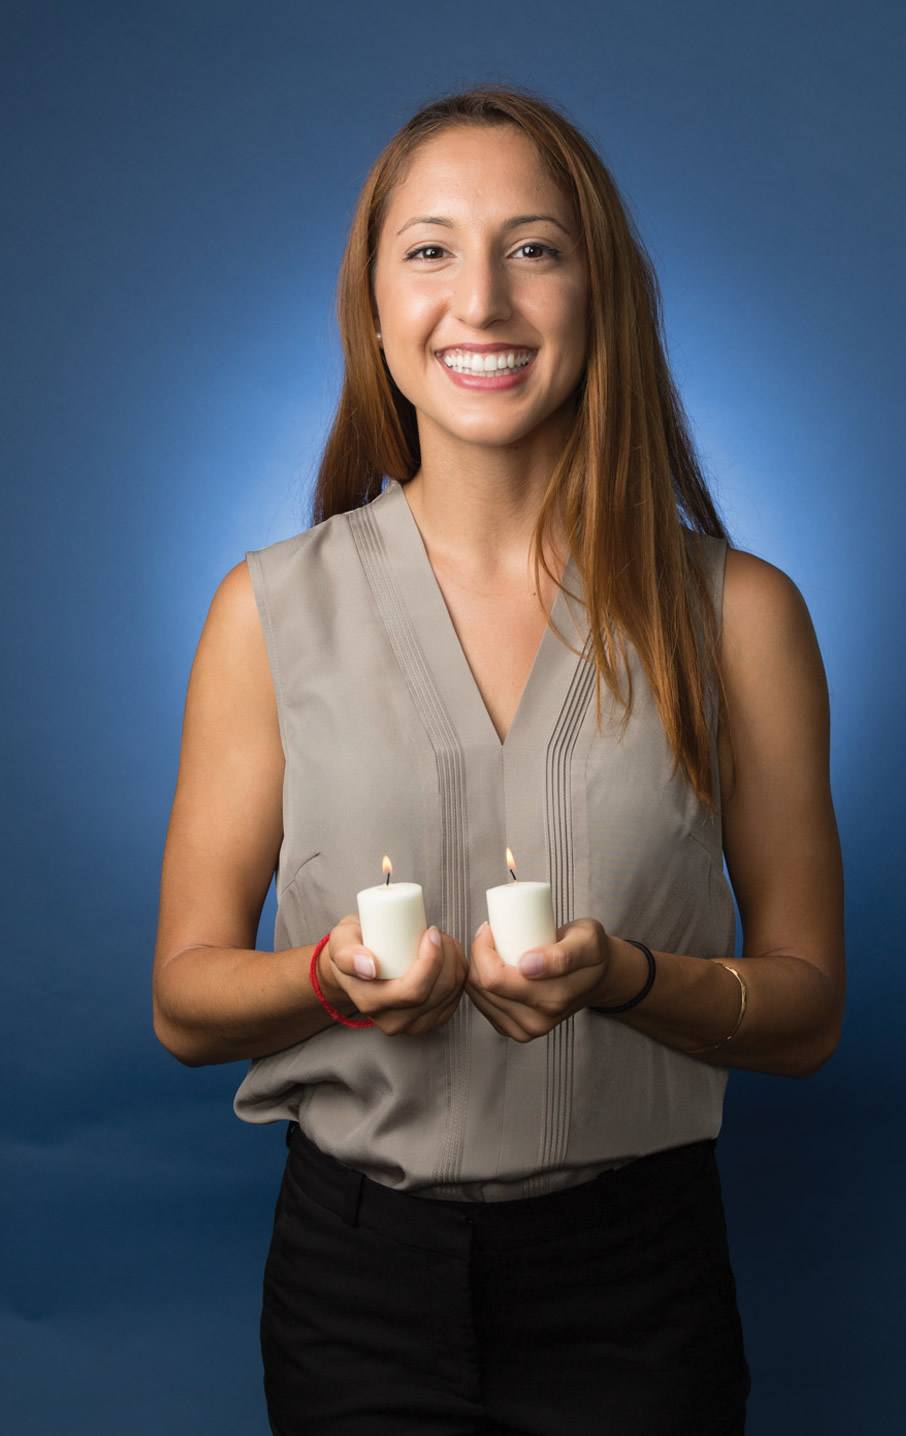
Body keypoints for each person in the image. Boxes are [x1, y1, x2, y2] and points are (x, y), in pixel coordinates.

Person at [153, 86, 844, 1436]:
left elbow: (807, 1013)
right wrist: (330, 983)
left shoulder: (739, 615)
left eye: (533, 247)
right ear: (371, 308)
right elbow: (184, 1003)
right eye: (429, 249)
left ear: (599, 297)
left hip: (637, 1287)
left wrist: (631, 979)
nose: (481, 300)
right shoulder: (267, 611)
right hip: (358, 1291)